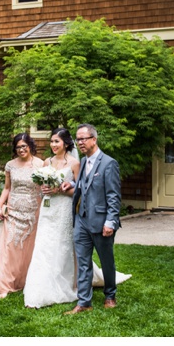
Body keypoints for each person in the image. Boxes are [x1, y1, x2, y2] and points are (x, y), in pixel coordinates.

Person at [64, 123, 122, 314]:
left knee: (106, 261)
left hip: (101, 221)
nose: (79, 142)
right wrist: (70, 183)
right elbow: (82, 184)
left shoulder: (109, 163)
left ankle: (110, 295)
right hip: (81, 220)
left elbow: (114, 196)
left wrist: (110, 222)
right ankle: (84, 302)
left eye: (83, 139)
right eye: (77, 139)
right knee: (83, 261)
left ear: (94, 140)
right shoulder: (82, 161)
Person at [23, 128, 81, 308]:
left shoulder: (74, 163)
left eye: (57, 141)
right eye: (52, 141)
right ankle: (39, 286)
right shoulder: (47, 161)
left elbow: (80, 190)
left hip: (63, 208)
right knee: (44, 244)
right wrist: (45, 189)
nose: (53, 145)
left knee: (61, 245)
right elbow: (41, 185)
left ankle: (63, 283)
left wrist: (59, 190)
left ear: (66, 143)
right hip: (47, 208)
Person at [0, 133, 43, 298]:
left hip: (33, 212)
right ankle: (4, 284)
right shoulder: (10, 165)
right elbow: (7, 188)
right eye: (18, 147)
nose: (21, 149)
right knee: (9, 247)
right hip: (14, 211)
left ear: (30, 146)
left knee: (29, 248)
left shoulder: (41, 164)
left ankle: (25, 281)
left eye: (24, 146)